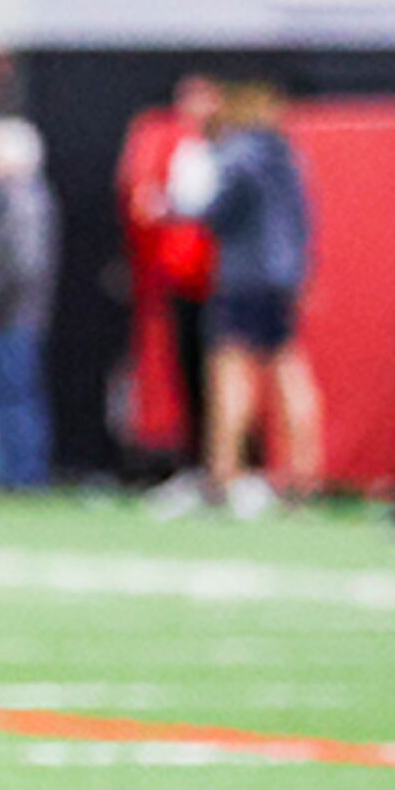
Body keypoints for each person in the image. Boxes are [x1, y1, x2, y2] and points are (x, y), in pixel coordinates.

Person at [185, 82, 320, 516]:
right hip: (284, 278)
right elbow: (304, 222)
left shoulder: (237, 154)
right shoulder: (288, 157)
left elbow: (212, 210)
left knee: (231, 375)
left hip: (243, 276)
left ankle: (223, 474)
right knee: (287, 370)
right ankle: (305, 472)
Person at [119, 74, 222, 488]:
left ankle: (226, 465)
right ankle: (200, 462)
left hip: (222, 280)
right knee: (190, 373)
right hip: (183, 279)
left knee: (228, 375)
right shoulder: (168, 140)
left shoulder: (228, 149)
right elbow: (144, 203)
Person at [0, 116, 55, 491]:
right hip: (17, 312)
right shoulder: (20, 198)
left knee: (13, 396)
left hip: (14, 314)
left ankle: (21, 474)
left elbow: (21, 264)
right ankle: (9, 471)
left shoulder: (20, 200)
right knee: (8, 396)